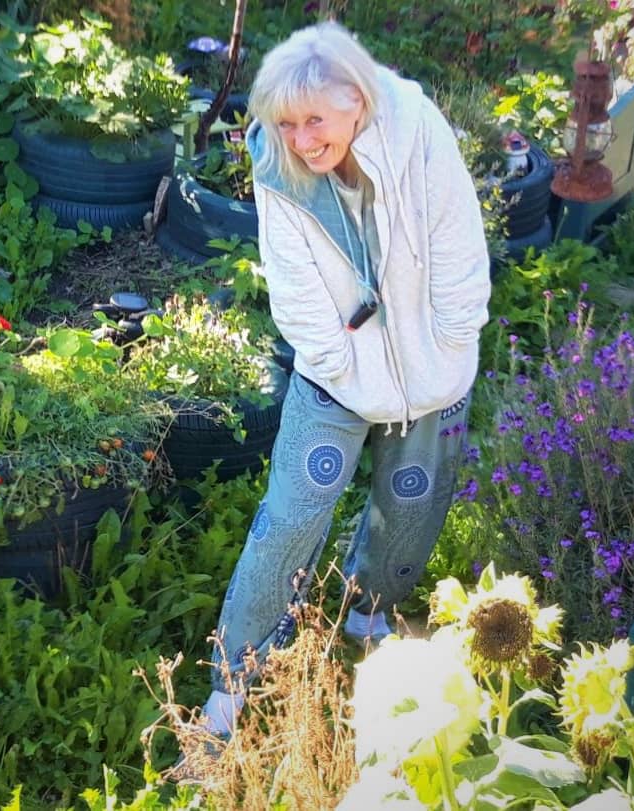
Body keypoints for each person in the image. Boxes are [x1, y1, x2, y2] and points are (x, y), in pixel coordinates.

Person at [199, 21, 491, 738]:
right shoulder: (276, 160)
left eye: (314, 121)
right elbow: (292, 282)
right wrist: (337, 363)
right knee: (289, 517)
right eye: (286, 123)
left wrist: (449, 346)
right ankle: (234, 681)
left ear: (357, 100)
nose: (300, 139)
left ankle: (367, 616)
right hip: (334, 375)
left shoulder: (417, 132)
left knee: (412, 507)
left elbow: (458, 242)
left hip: (433, 369)